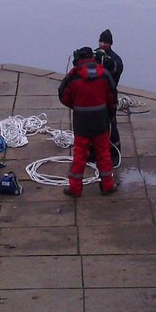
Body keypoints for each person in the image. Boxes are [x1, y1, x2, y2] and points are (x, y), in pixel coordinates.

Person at [58, 47, 118, 197]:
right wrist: (109, 114)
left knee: (80, 156)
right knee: (104, 154)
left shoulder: (73, 76)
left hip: (82, 122)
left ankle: (75, 188)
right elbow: (112, 97)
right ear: (93, 57)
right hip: (100, 121)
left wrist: (77, 106)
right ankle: (107, 185)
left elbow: (63, 96)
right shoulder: (103, 73)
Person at [93, 29, 125, 165]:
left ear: (111, 44)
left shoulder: (115, 59)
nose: (102, 44)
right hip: (95, 95)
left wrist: (106, 61)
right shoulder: (94, 56)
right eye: (101, 41)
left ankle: (114, 152)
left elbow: (116, 69)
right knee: (93, 125)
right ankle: (93, 152)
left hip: (109, 96)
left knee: (111, 125)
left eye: (105, 42)